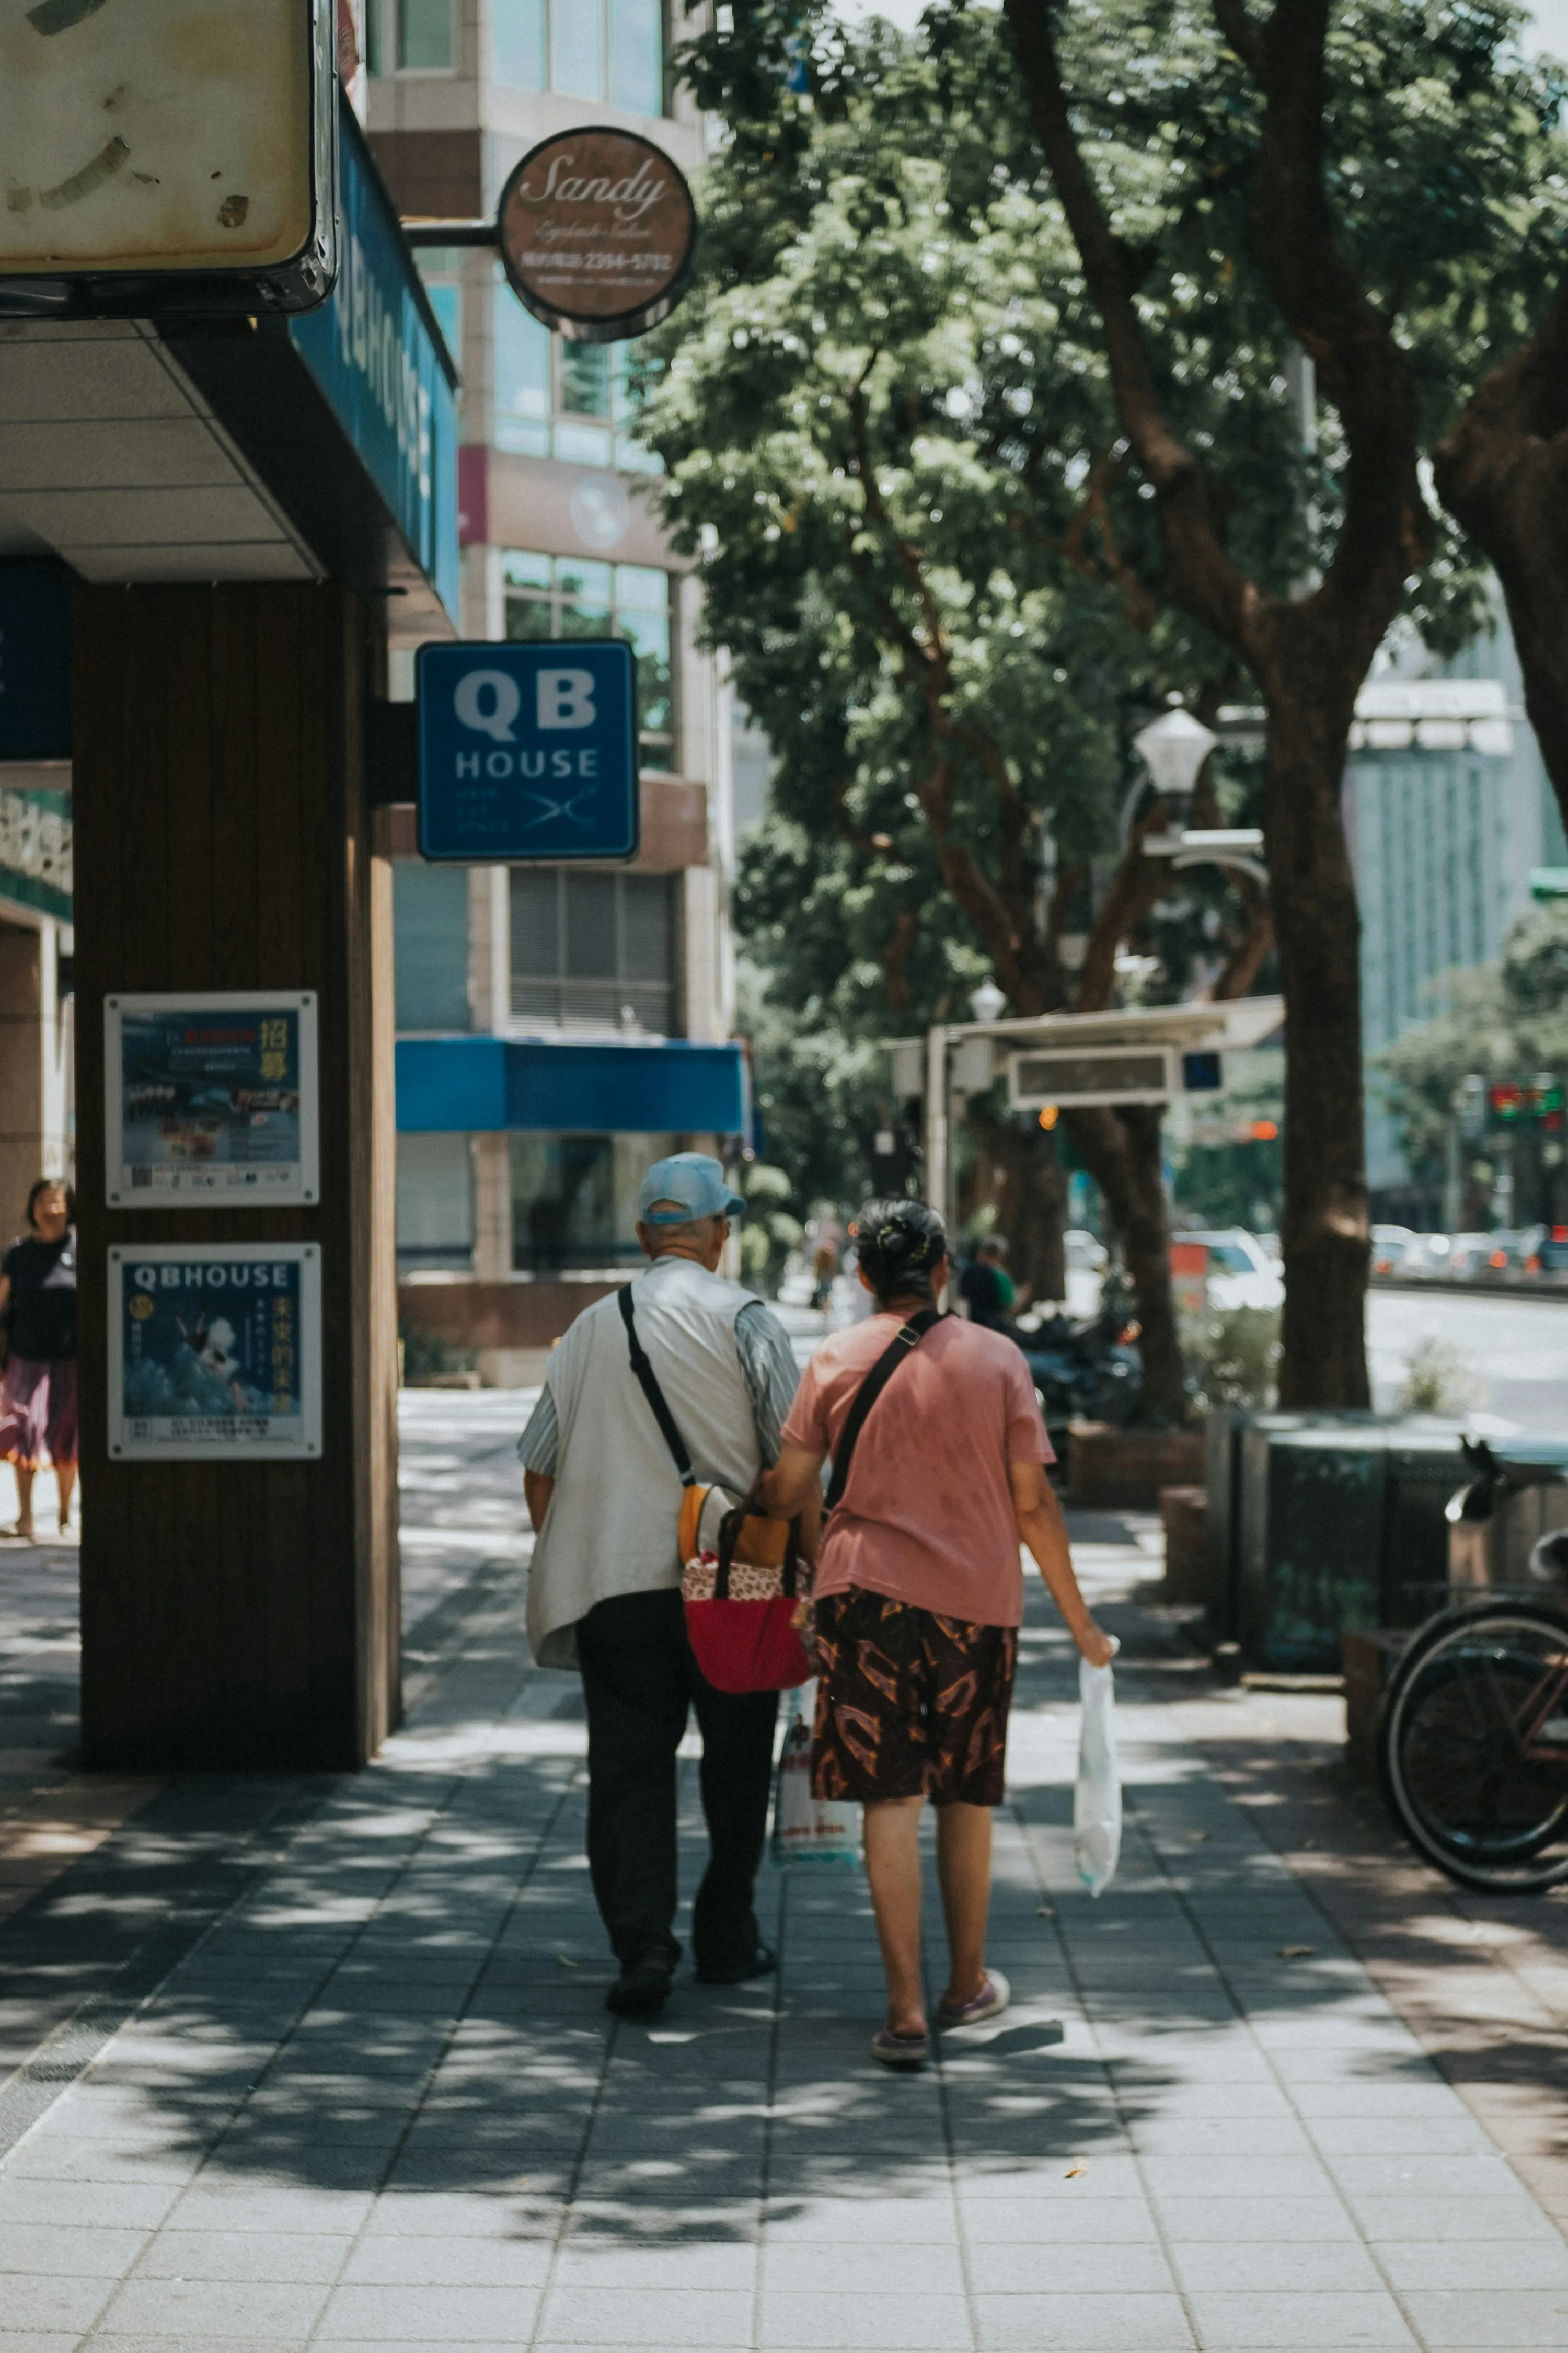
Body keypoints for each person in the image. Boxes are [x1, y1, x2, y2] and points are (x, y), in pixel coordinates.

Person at [756, 1197, 1113, 2068]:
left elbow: (787, 1487)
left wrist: (792, 1562)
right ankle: (967, 1984)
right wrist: (1084, 1626)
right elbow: (1033, 1501)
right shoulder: (998, 1359)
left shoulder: (835, 1357)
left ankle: (906, 2013)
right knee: (965, 1794)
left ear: (864, 1275)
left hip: (863, 1600)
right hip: (974, 1609)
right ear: (945, 1270)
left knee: (889, 1797)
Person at [518, 1152, 804, 2018]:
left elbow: (539, 1467)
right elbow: (795, 1466)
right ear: (720, 1233)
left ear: (646, 1235)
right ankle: (726, 1934)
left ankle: (643, 1947)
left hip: (618, 1588)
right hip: (738, 1579)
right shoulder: (750, 1320)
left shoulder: (588, 1330)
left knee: (629, 1768)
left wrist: (581, 1545)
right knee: (739, 1759)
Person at [0, 1179, 78, 1542]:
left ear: (70, 1206)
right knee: (21, 1428)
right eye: (42, 1202)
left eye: (56, 1202)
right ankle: (26, 1516)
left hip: (70, 1356)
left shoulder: (82, 1248)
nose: (49, 1209)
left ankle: (65, 1515)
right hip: (25, 1354)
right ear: (32, 1207)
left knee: (69, 1432)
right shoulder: (18, 1254)